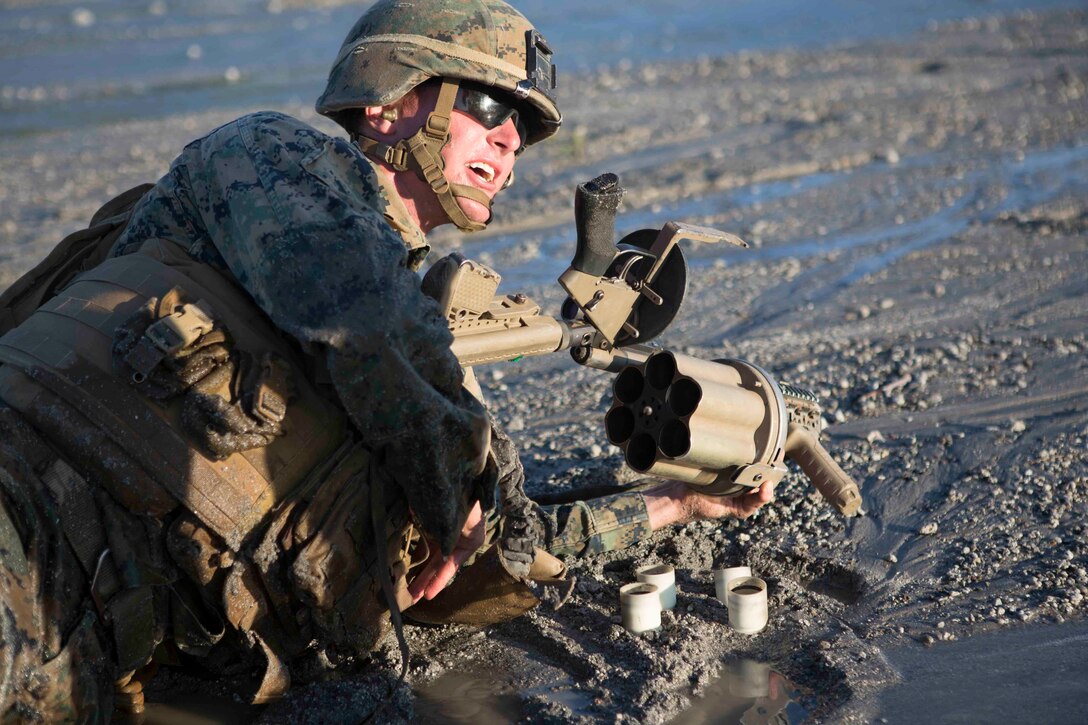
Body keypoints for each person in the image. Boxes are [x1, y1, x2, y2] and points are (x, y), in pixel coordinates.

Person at [0, 0, 775, 719]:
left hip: (90, 666)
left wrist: (674, 504)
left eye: (525, 134)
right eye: (491, 108)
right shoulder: (275, 159)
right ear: (388, 100)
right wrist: (452, 488)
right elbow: (361, 319)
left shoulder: (425, 382)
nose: (511, 143)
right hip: (25, 529)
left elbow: (507, 543)